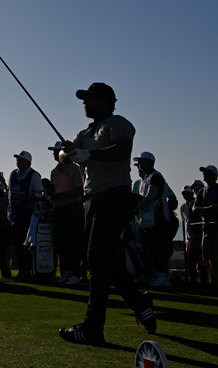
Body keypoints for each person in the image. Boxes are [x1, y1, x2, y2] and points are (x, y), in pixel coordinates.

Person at [57, 82, 154, 346]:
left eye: (90, 99)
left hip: (115, 196)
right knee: (107, 260)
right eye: (84, 99)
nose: (85, 103)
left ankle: (93, 328)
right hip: (91, 200)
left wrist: (87, 154)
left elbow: (122, 149)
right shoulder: (84, 132)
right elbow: (63, 156)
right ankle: (141, 305)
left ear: (107, 100)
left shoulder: (117, 122)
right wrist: (69, 153)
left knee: (96, 256)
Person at [133, 152, 171, 287]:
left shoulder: (156, 177)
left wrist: (137, 207)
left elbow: (150, 198)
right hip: (147, 219)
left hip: (157, 219)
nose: (140, 165)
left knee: (157, 248)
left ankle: (162, 275)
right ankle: (153, 274)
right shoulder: (145, 179)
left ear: (150, 162)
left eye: (142, 161)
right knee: (148, 248)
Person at [49, 142, 83, 286]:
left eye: (56, 151)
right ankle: (65, 271)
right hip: (59, 209)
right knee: (60, 242)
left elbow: (79, 191)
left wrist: (62, 195)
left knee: (74, 242)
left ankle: (76, 273)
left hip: (73, 208)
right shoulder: (54, 171)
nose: (54, 154)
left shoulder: (75, 169)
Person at [8, 150, 42, 282]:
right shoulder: (13, 174)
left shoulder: (34, 175)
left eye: (21, 159)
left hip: (28, 213)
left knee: (26, 244)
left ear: (28, 162)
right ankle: (23, 270)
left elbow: (39, 193)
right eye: (17, 159)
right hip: (15, 214)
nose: (18, 161)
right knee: (17, 244)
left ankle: (27, 270)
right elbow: (10, 193)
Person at [194, 164, 218, 285]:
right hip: (207, 227)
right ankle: (215, 280)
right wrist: (208, 208)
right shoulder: (202, 191)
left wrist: (204, 210)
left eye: (207, 173)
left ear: (214, 175)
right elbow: (195, 209)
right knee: (210, 257)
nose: (204, 174)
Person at [180, 182, 202, 284]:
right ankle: (193, 280)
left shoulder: (196, 203)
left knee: (201, 261)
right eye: (184, 194)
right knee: (190, 260)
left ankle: (203, 280)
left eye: (187, 193)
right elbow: (184, 221)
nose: (186, 196)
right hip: (189, 238)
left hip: (197, 236)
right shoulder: (183, 207)